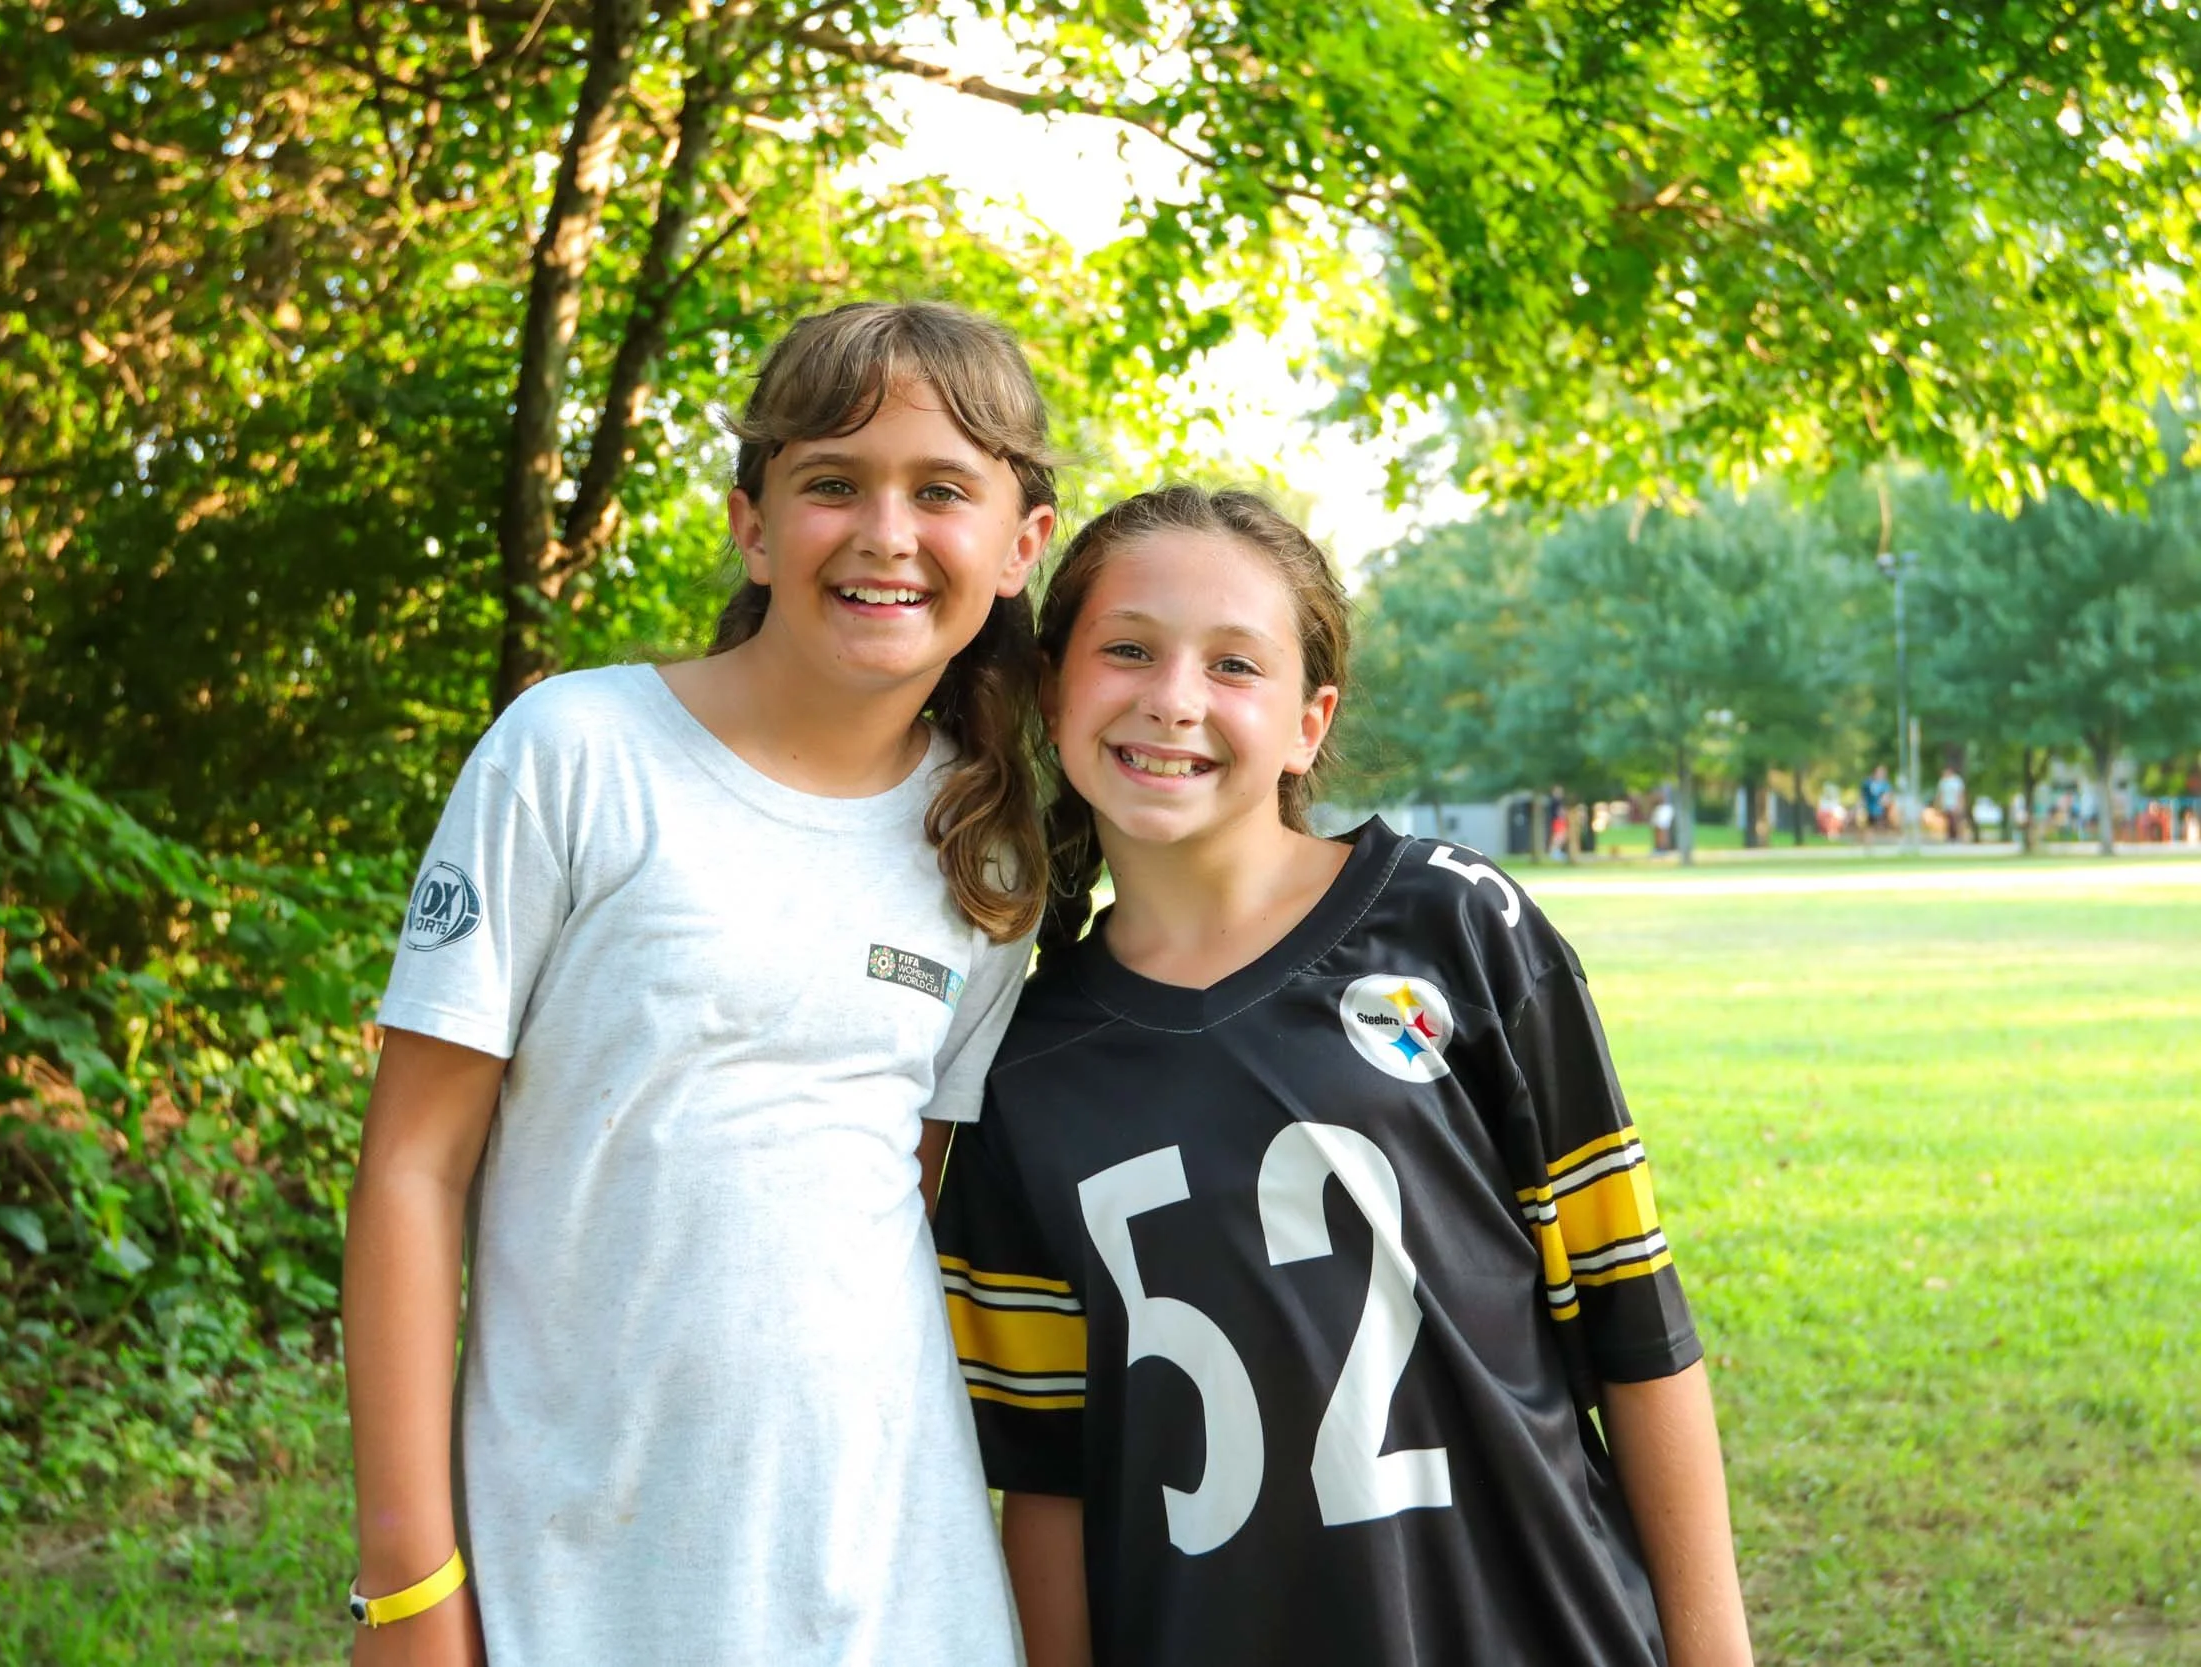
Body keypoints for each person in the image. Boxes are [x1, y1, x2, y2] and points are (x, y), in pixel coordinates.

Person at [341, 302, 1060, 1666]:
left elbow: (892, 1206)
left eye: (940, 490)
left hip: (894, 1587)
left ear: (1020, 544)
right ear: (752, 523)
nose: (886, 532)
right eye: (832, 482)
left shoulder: (987, 855)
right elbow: (410, 1171)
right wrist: (408, 1582)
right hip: (577, 1571)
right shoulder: (575, 751)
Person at [935, 487, 1754, 1667]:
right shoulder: (1025, 1068)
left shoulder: (1457, 926)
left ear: (1307, 723)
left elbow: (1637, 1335)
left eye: (1234, 663)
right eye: (1128, 649)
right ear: (1053, 686)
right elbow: (1047, 1480)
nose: (1173, 698)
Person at [1546, 782, 1571, 863]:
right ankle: (1554, 852)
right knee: (1558, 837)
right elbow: (1560, 812)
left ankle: (1556, 851)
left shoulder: (1557, 801)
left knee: (1560, 836)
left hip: (1559, 820)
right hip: (1557, 820)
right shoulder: (1555, 801)